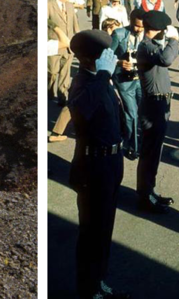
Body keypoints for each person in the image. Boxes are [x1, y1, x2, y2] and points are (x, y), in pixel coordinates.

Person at [66, 30, 131, 299]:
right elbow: (83, 112)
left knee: (105, 229)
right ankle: (88, 289)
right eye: (106, 56)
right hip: (94, 166)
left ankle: (98, 281)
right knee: (92, 233)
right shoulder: (82, 83)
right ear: (91, 60)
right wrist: (104, 75)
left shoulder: (101, 79)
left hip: (111, 161)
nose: (111, 58)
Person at [135, 10, 178, 213]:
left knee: (154, 153)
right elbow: (167, 59)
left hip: (160, 105)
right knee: (149, 154)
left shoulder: (152, 46)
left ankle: (149, 192)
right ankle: (144, 197)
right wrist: (173, 39)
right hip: (153, 107)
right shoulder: (146, 46)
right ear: (158, 29)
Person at [110, 9, 146, 161]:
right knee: (131, 114)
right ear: (131, 22)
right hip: (124, 81)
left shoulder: (147, 34)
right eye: (137, 26)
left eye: (142, 27)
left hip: (141, 79)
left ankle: (141, 143)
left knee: (143, 113)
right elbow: (107, 54)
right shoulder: (119, 34)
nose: (139, 29)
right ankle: (132, 147)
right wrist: (119, 62)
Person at [48, 0, 81, 103]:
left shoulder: (70, 6)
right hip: (55, 46)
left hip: (69, 46)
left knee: (65, 73)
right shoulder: (49, 6)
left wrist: (78, 39)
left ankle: (63, 97)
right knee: (52, 72)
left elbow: (75, 24)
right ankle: (49, 94)